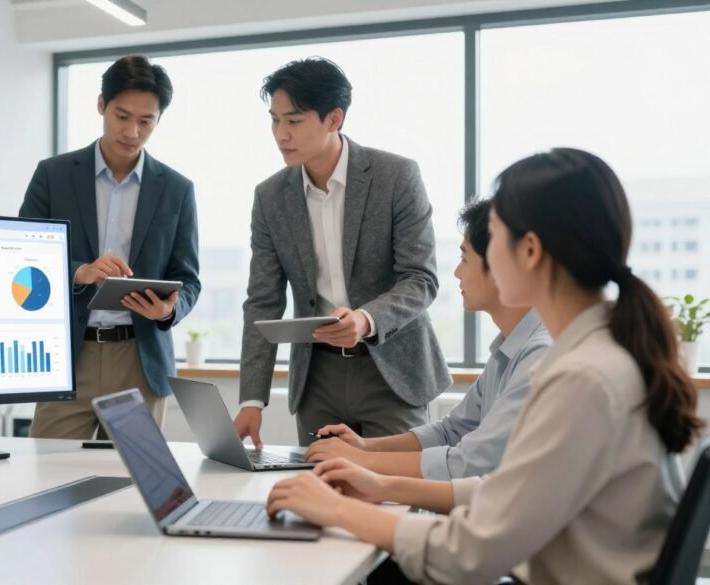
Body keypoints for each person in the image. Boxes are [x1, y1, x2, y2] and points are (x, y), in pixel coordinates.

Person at [265, 148, 701, 584]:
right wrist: (381, 486)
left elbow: (467, 553)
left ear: (529, 250)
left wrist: (337, 509)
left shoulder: (582, 379)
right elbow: (515, 492)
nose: (462, 267)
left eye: (491, 237)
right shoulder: (599, 352)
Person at [233, 58, 450, 448]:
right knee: (321, 498)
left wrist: (366, 320)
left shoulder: (396, 176)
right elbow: (262, 301)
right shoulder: (269, 197)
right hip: (317, 378)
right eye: (274, 120)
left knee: (398, 495)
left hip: (392, 371)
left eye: (294, 121)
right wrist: (252, 398)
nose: (281, 134)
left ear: (334, 119)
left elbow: (421, 279)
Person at [304, 198, 551, 480]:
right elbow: (451, 431)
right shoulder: (508, 349)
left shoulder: (539, 355)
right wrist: (362, 447)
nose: (457, 273)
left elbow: (470, 463)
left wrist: (362, 460)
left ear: (500, 265)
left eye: (464, 258)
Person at [19, 55, 200, 439]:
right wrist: (78, 273)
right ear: (101, 105)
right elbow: (21, 260)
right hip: (69, 355)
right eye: (122, 116)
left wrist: (169, 309)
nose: (132, 131)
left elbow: (188, 278)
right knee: (46, 478)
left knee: (139, 486)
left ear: (158, 120)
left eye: (145, 121)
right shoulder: (52, 176)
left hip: (140, 358)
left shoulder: (177, 189)